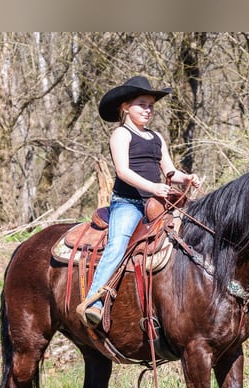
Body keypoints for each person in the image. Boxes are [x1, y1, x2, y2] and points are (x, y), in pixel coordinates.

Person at [76, 76, 201, 328]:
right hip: (128, 202)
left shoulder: (156, 137)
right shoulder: (121, 135)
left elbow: (170, 171)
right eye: (142, 104)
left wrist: (185, 177)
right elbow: (123, 171)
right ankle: (94, 300)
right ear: (125, 107)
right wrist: (153, 187)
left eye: (151, 105)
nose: (148, 110)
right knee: (118, 243)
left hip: (157, 204)